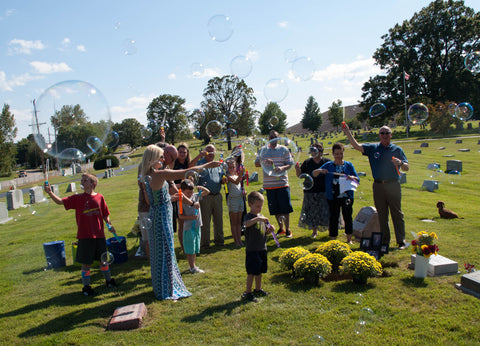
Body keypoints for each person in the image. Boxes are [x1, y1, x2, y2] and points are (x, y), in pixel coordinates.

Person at [140, 144, 220, 300]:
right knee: (166, 252)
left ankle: (161, 287)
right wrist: (208, 164)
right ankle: (167, 291)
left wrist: (168, 199)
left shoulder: (146, 176)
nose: (163, 159)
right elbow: (186, 172)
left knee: (159, 252)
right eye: (161, 157)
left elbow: (150, 201)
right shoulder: (159, 174)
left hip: (156, 214)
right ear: (153, 159)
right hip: (162, 217)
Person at [44, 173, 116, 296]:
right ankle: (86, 287)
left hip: (99, 235)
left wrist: (109, 225)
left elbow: (105, 214)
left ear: (93, 184)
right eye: (82, 180)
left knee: (103, 260)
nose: (82, 182)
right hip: (85, 236)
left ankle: (109, 281)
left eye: (85, 180)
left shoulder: (100, 197)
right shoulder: (77, 198)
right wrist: (50, 193)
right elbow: (60, 202)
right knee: (86, 263)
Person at [342, 124, 409, 249]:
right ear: (379, 135)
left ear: (391, 135)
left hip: (393, 185)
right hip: (378, 185)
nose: (384, 135)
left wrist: (400, 163)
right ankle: (384, 241)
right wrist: (347, 132)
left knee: (397, 213)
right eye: (382, 133)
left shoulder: (397, 150)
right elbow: (356, 146)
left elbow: (407, 167)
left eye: (387, 133)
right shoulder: (373, 148)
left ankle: (401, 241)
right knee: (382, 215)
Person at [313, 142, 359, 243]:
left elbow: (357, 179)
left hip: (347, 196)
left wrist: (352, 177)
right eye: (337, 154)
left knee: (348, 217)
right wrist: (320, 171)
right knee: (333, 218)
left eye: (341, 153)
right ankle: (333, 240)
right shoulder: (329, 165)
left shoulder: (348, 165)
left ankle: (349, 239)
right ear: (333, 154)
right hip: (332, 196)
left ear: (343, 153)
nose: (339, 156)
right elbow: (314, 174)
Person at [255, 130, 294, 238]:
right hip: (269, 184)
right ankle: (281, 228)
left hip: (282, 183)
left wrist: (282, 167)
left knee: (285, 208)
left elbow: (290, 164)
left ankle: (288, 229)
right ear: (268, 138)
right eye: (271, 137)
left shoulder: (283, 149)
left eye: (275, 137)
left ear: (278, 138)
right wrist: (264, 162)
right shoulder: (263, 150)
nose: (273, 139)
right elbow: (256, 163)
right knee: (275, 208)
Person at [242, 191, 273, 302]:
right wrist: (258, 219)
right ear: (250, 205)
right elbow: (246, 224)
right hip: (252, 250)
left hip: (262, 248)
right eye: (257, 206)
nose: (260, 209)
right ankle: (248, 292)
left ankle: (258, 289)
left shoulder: (261, 217)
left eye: (261, 206)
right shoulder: (249, 217)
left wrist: (270, 230)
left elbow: (265, 232)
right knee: (251, 272)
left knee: (259, 271)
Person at [174, 142, 204, 253]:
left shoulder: (187, 164)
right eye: (180, 152)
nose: (182, 154)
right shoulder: (174, 164)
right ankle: (183, 247)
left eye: (184, 152)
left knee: (189, 222)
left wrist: (200, 155)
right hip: (178, 196)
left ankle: (190, 245)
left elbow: (192, 166)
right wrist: (179, 185)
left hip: (186, 195)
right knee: (181, 222)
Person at [295, 143, 330, 238]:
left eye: (317, 150)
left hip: (324, 190)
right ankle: (314, 232)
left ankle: (331, 231)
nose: (314, 152)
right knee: (312, 212)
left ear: (321, 151)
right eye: (313, 150)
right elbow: (300, 175)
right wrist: (297, 169)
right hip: (310, 191)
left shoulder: (327, 162)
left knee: (326, 211)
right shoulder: (307, 162)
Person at [178, 179, 210, 273]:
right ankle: (192, 267)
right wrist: (191, 217)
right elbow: (180, 216)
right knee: (190, 248)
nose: (190, 194)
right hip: (188, 227)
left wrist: (201, 187)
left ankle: (193, 265)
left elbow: (207, 192)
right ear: (182, 191)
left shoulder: (195, 196)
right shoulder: (181, 201)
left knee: (195, 247)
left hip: (197, 225)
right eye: (188, 192)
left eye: (191, 192)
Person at [197, 144, 225, 249]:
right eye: (208, 151)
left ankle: (219, 241)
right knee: (205, 221)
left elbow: (221, 176)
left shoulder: (218, 164)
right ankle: (205, 243)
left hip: (217, 195)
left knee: (219, 220)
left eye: (213, 152)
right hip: (205, 197)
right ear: (204, 152)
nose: (211, 154)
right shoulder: (200, 164)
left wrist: (223, 180)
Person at [226, 159, 245, 246]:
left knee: (239, 222)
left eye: (233, 167)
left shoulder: (236, 175)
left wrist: (243, 192)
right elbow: (236, 181)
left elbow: (239, 185)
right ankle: (236, 240)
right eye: (230, 167)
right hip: (233, 200)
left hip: (240, 199)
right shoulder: (227, 176)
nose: (232, 169)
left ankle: (239, 240)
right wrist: (241, 173)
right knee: (234, 222)